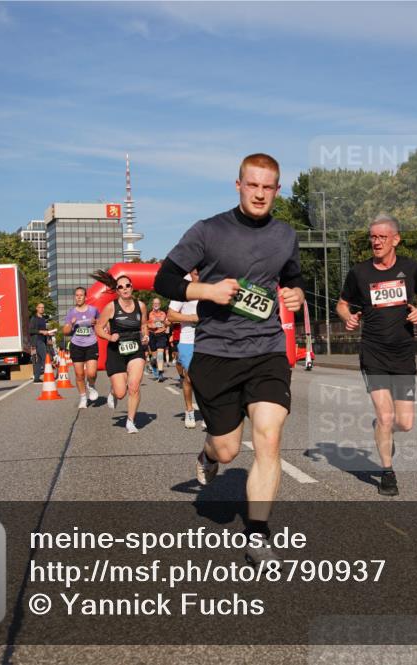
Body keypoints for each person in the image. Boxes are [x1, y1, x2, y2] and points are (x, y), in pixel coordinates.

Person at [154, 153, 304, 564]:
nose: (259, 194)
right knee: (227, 451)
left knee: (269, 436)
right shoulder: (208, 231)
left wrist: (297, 294)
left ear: (277, 190)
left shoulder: (285, 235)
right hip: (217, 352)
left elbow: (292, 277)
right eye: (251, 185)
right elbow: (165, 278)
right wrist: (207, 292)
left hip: (266, 349)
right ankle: (206, 455)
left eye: (267, 187)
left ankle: (257, 533)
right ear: (238, 185)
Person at [336, 214, 417, 497]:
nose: (376, 242)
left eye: (381, 237)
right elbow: (342, 304)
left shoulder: (411, 268)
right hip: (373, 351)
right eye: (372, 237)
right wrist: (347, 318)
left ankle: (382, 428)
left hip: (402, 353)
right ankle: (388, 472)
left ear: (395, 240)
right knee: (387, 416)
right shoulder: (360, 273)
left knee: (405, 423)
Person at [93, 271, 149, 433]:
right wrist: (109, 337)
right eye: (121, 287)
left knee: (134, 386)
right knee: (120, 393)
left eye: (128, 286)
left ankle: (130, 421)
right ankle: (113, 391)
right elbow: (98, 327)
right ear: (117, 291)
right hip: (116, 349)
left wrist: (145, 336)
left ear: (132, 288)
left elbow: (144, 325)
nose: (125, 289)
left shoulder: (141, 306)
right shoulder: (111, 307)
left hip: (135, 349)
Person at [168, 269, 202, 429]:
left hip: (209, 339)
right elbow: (171, 315)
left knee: (208, 379)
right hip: (188, 339)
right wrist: (192, 318)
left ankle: (208, 413)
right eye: (196, 271)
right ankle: (189, 410)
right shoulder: (183, 289)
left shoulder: (213, 284)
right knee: (190, 378)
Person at [63, 287, 101, 409]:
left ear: (85, 297)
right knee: (79, 375)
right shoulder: (71, 312)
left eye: (81, 295)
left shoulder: (93, 310)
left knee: (91, 373)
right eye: (76, 295)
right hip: (76, 345)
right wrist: (72, 324)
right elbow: (65, 331)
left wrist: (97, 323)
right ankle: (83, 398)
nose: (78, 297)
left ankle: (91, 385)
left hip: (91, 344)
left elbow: (101, 323)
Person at [28, 302, 53, 383]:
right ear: (37, 308)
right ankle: (48, 376)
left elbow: (43, 331)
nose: (42, 309)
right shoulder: (34, 318)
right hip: (37, 341)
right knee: (45, 358)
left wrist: (48, 333)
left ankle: (36, 378)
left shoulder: (43, 319)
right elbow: (30, 330)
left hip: (43, 340)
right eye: (40, 307)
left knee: (38, 361)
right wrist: (41, 331)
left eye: (43, 307)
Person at [147, 297, 170, 382]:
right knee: (154, 357)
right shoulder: (150, 314)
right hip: (152, 335)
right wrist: (152, 325)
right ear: (153, 305)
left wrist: (166, 324)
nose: (156, 304)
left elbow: (166, 322)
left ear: (160, 305)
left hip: (161, 335)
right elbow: (147, 325)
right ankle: (154, 367)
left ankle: (160, 373)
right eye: (154, 303)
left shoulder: (163, 313)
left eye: (158, 303)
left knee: (160, 354)